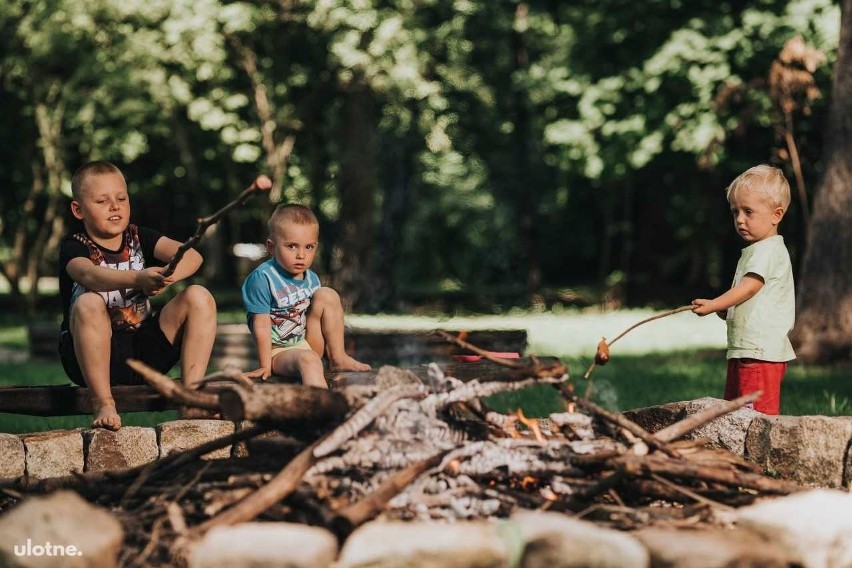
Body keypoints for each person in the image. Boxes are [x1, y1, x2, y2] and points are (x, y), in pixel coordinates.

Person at [59, 161, 217, 430]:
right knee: (88, 303)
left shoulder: (140, 237)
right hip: (92, 358)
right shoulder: (74, 247)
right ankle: (103, 401)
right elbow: (88, 275)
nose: (115, 206)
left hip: (145, 352)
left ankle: (190, 398)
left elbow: (192, 256)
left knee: (199, 296)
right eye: (101, 201)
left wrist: (166, 277)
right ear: (79, 210)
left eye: (121, 198)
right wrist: (138, 278)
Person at [692, 165, 796, 415]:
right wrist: (727, 310)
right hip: (745, 349)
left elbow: (749, 288)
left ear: (776, 214)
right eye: (735, 212)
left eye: (748, 211)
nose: (739, 219)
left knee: (755, 417)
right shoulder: (756, 251)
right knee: (734, 413)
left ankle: (757, 455)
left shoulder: (769, 250)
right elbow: (749, 298)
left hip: (760, 353)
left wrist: (716, 303)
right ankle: (737, 453)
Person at [241, 204, 371, 388]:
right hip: (278, 352)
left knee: (328, 294)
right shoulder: (263, 279)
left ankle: (338, 357)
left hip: (307, 343)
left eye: (309, 247)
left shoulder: (311, 278)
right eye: (292, 246)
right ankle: (323, 409)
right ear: (271, 246)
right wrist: (264, 365)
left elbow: (316, 317)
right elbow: (261, 325)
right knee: (309, 360)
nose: (301, 255)